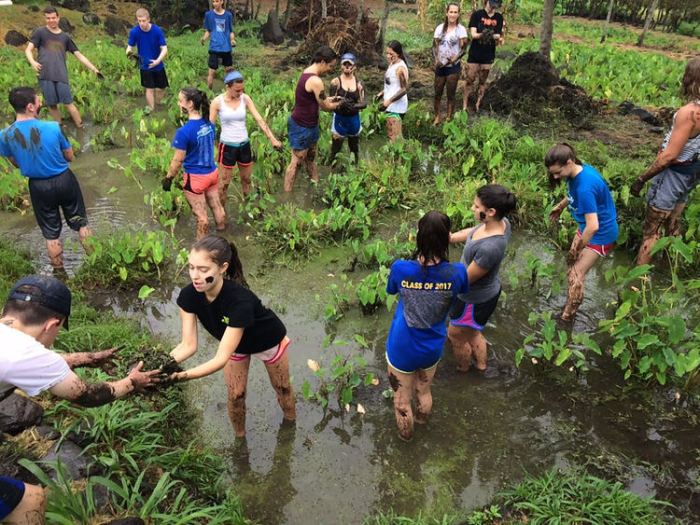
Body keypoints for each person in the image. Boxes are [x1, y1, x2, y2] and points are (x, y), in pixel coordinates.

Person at [0, 275, 159, 525]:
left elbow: (24, 362)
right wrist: (132, 382)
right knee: (29, 499)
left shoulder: (7, 338)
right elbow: (88, 395)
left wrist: (84, 357)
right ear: (53, 324)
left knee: (28, 497)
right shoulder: (25, 354)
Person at [168, 235, 296, 437]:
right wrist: (161, 366)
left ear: (222, 267)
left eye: (203, 270)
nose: (195, 276)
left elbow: (219, 359)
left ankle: (290, 426)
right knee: (236, 395)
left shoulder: (240, 301)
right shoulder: (189, 295)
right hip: (234, 345)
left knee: (283, 388)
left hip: (267, 340)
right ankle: (240, 438)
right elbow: (188, 345)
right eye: (191, 267)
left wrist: (180, 376)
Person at [385, 211, 469, 441]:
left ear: (418, 237)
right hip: (432, 345)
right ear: (447, 239)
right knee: (424, 390)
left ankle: (407, 441)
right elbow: (459, 301)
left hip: (402, 346)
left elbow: (391, 290)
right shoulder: (457, 273)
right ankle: (422, 423)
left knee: (402, 401)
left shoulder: (401, 268)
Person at [0, 87, 92, 270]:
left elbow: (15, 162)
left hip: (38, 186)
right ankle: (96, 260)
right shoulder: (53, 127)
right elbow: (70, 156)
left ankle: (60, 273)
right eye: (37, 101)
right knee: (81, 223)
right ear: (30, 107)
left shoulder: (5, 136)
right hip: (64, 180)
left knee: (51, 234)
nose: (40, 102)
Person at [630, 58, 700, 266]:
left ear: (690, 80)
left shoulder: (690, 113)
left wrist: (641, 179)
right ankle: (670, 269)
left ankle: (637, 283)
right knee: (673, 221)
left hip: (674, 174)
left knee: (651, 231)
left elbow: (669, 156)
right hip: (692, 172)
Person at [546, 143, 619, 322]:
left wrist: (577, 249)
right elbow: (573, 193)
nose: (556, 177)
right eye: (553, 173)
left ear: (569, 162)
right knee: (572, 270)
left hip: (600, 234)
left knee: (575, 274)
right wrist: (561, 206)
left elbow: (593, 226)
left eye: (558, 172)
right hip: (585, 227)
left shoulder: (585, 186)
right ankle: (570, 303)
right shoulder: (579, 170)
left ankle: (567, 317)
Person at [447, 184, 515, 373]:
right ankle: (482, 366)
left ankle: (463, 372)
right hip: (485, 293)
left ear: (491, 211)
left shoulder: (490, 248)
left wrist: (438, 281)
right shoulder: (501, 223)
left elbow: (466, 279)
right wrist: (451, 238)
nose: (472, 209)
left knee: (455, 336)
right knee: (473, 331)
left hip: (472, 300)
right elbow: (473, 231)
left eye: (477, 207)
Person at [210, 70, 281, 204]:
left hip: (244, 145)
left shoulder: (245, 98)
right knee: (223, 184)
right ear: (228, 87)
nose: (240, 93)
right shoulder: (217, 102)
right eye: (237, 90)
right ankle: (221, 213)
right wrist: (208, 150)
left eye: (242, 89)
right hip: (227, 146)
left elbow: (259, 119)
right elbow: (210, 128)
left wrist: (272, 139)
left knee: (247, 180)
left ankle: (248, 207)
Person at [24, 6, 102, 128]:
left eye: (53, 18)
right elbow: (28, 50)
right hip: (45, 75)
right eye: (48, 18)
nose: (51, 20)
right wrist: (33, 62)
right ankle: (59, 126)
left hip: (61, 75)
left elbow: (79, 55)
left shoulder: (65, 37)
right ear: (45, 19)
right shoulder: (40, 32)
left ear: (58, 17)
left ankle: (80, 126)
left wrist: (94, 69)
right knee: (51, 104)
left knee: (68, 103)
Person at [163, 88, 225, 240]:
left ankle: (200, 251)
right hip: (212, 174)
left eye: (180, 101)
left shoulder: (184, 132)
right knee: (218, 209)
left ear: (190, 104)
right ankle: (223, 236)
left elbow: (177, 161)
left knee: (202, 218)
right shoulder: (209, 124)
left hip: (195, 179)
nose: (179, 104)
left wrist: (169, 178)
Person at [284, 46, 341, 192]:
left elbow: (317, 99)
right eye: (330, 65)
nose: (330, 69)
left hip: (310, 124)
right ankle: (287, 196)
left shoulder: (308, 73)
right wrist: (340, 104)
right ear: (322, 61)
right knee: (296, 162)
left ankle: (315, 187)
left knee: (311, 157)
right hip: (301, 125)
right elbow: (325, 107)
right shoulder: (315, 80)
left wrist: (332, 99)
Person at [462, 0, 504, 113]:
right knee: (470, 78)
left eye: (496, 6)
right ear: (487, 2)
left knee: (482, 80)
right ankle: (464, 105)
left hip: (488, 54)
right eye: (492, 5)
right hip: (475, 53)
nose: (493, 8)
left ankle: (477, 104)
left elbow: (498, 35)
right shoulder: (477, 15)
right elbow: (473, 34)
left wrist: (494, 36)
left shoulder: (499, 17)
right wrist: (485, 34)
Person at [126, 8, 168, 113]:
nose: (141, 23)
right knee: (149, 89)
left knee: (161, 88)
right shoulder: (134, 32)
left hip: (158, 64)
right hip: (145, 65)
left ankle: (159, 104)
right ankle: (151, 109)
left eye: (143, 21)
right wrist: (130, 54)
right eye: (139, 21)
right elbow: (129, 47)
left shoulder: (157, 30)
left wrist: (158, 61)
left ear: (148, 19)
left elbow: (164, 48)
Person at [432, 3, 468, 125]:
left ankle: (448, 119)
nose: (453, 14)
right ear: (446, 13)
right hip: (440, 65)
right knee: (437, 92)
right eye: (451, 12)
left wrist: (455, 58)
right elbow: (434, 46)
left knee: (450, 94)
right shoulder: (439, 28)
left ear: (458, 14)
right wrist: (436, 59)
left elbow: (464, 49)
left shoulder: (461, 30)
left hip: (453, 67)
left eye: (455, 12)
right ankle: (437, 117)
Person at [329, 53, 366, 165]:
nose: (347, 67)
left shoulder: (359, 84)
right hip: (340, 119)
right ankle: (332, 169)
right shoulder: (335, 82)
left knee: (354, 148)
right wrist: (340, 104)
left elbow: (364, 103)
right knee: (335, 149)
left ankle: (355, 169)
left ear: (354, 66)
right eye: (344, 64)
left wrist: (353, 106)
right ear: (341, 66)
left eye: (349, 64)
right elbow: (330, 102)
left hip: (354, 119)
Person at [376, 41, 409, 142]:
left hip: (396, 107)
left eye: (391, 54)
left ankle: (398, 156)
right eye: (387, 53)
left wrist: (388, 101)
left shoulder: (400, 69)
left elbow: (404, 90)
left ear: (398, 53)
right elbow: (393, 84)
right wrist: (382, 93)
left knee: (395, 137)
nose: (388, 56)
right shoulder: (392, 64)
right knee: (391, 134)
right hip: (390, 105)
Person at [201, 0, 235, 90]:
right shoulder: (209, 15)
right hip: (214, 48)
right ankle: (208, 93)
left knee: (229, 73)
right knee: (211, 72)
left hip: (226, 48)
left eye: (216, 1)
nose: (214, 3)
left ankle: (229, 93)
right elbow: (208, 30)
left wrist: (232, 40)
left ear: (222, 2)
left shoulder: (228, 15)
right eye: (213, 1)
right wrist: (204, 38)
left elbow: (231, 31)